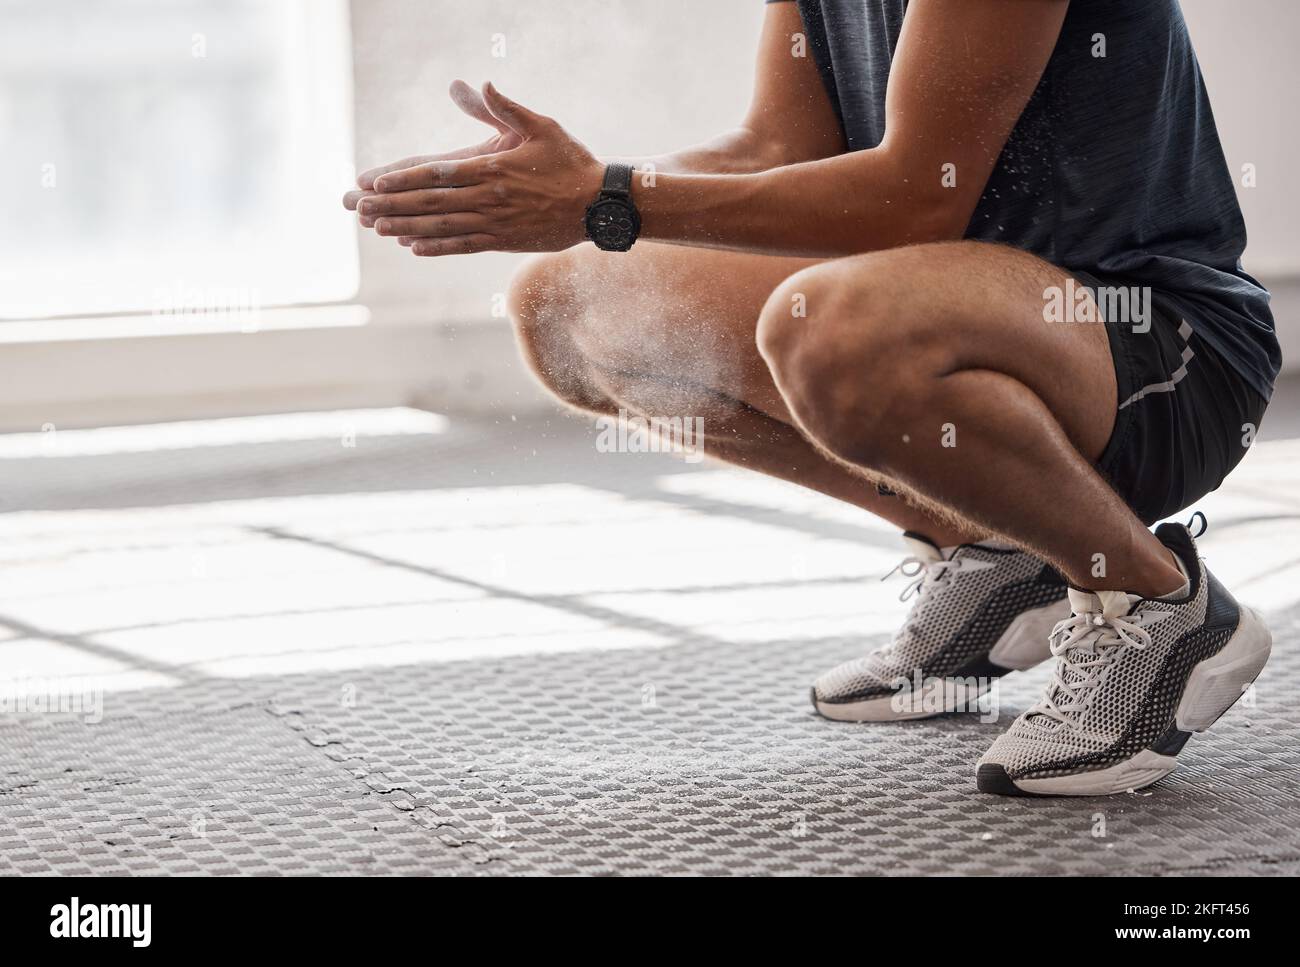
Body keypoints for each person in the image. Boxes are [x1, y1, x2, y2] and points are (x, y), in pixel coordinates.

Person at [342, 0, 1280, 796]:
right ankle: (1002, 550)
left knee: (826, 324)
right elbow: (777, 146)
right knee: (568, 303)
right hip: (980, 319)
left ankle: (1152, 602)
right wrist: (563, 197)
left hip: (1162, 347)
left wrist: (608, 199)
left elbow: (919, 198)